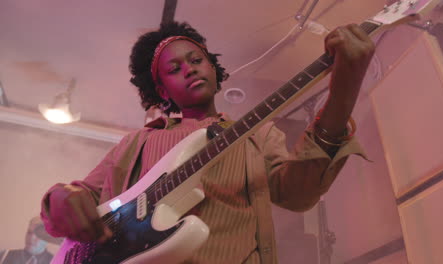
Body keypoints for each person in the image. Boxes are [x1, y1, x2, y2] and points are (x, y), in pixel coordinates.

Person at [40, 21, 374, 263]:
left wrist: (343, 94)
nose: (189, 69)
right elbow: (78, 197)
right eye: (174, 68)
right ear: (162, 91)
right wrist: (60, 198)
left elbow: (299, 194)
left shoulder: (259, 135)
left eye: (196, 60)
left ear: (213, 68)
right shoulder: (135, 142)